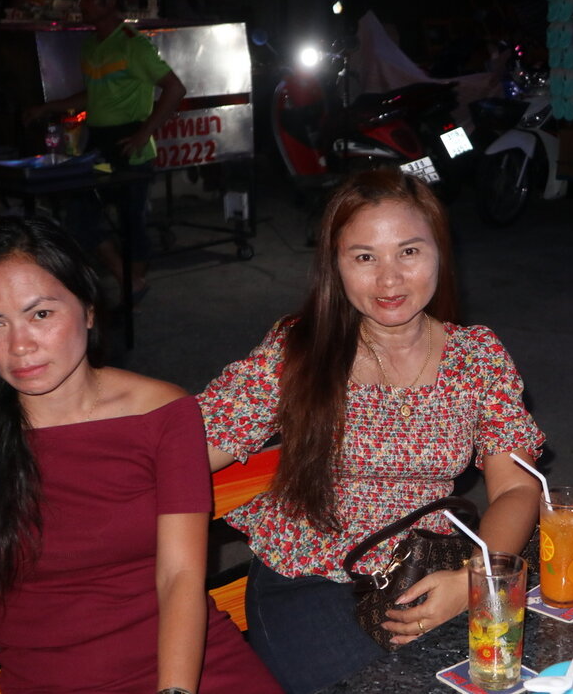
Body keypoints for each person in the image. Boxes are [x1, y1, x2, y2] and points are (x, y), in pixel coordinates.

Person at [0, 217, 281, 694]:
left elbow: (179, 576)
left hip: (191, 674)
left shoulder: (163, 412)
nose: (20, 346)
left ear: (88, 309)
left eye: (40, 314)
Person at [199, 169, 544, 693]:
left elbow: (517, 486)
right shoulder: (300, 350)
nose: (389, 280)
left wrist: (475, 580)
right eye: (365, 257)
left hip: (428, 568)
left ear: (440, 252)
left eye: (409, 252)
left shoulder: (477, 356)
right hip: (308, 578)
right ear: (335, 265)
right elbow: (190, 446)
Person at [25, 0, 187, 302]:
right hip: (99, 144)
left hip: (129, 145)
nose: (81, 4)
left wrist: (143, 134)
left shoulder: (132, 44)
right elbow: (94, 95)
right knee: (81, 214)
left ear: (110, 1)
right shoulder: (91, 45)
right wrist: (48, 107)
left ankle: (131, 290)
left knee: (131, 221)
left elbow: (175, 88)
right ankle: (131, 284)